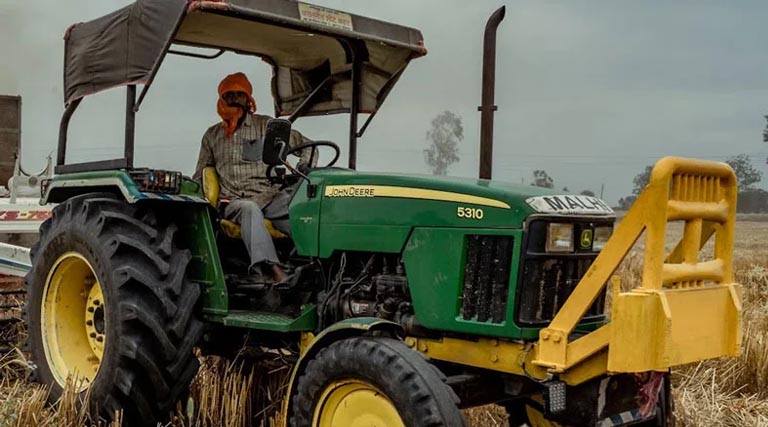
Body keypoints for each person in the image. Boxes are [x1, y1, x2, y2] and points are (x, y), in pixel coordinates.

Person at [193, 72, 312, 283]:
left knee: (304, 208)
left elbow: (308, 146)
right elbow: (200, 174)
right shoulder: (212, 135)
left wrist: (305, 164)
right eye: (230, 95)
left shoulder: (267, 127)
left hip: (269, 196)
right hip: (234, 202)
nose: (235, 99)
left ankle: (313, 266)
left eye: (240, 94)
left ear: (249, 99)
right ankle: (271, 270)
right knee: (249, 208)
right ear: (222, 98)